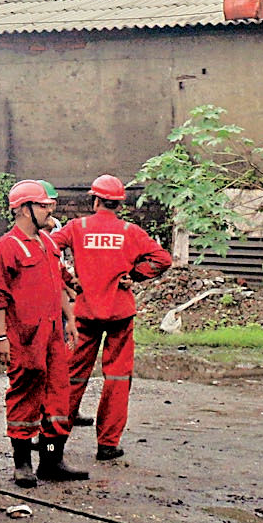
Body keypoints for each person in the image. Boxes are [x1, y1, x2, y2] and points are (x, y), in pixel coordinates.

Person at [50, 173, 173, 461]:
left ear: (94, 200)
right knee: (117, 378)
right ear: (119, 203)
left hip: (85, 313)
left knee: (72, 376)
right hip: (120, 312)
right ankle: (107, 445)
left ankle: (56, 442)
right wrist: (135, 275)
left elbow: (46, 248)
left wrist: (68, 279)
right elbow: (163, 259)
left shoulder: (76, 227)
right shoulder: (130, 231)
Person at [0, 180, 88, 488]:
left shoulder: (48, 243)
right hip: (24, 338)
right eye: (44, 205)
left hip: (52, 335)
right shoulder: (5, 248)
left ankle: (50, 460)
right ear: (24, 209)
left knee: (58, 397)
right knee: (25, 397)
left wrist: (70, 319)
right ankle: (22, 464)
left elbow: (58, 283)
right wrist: (0, 337)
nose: (50, 210)